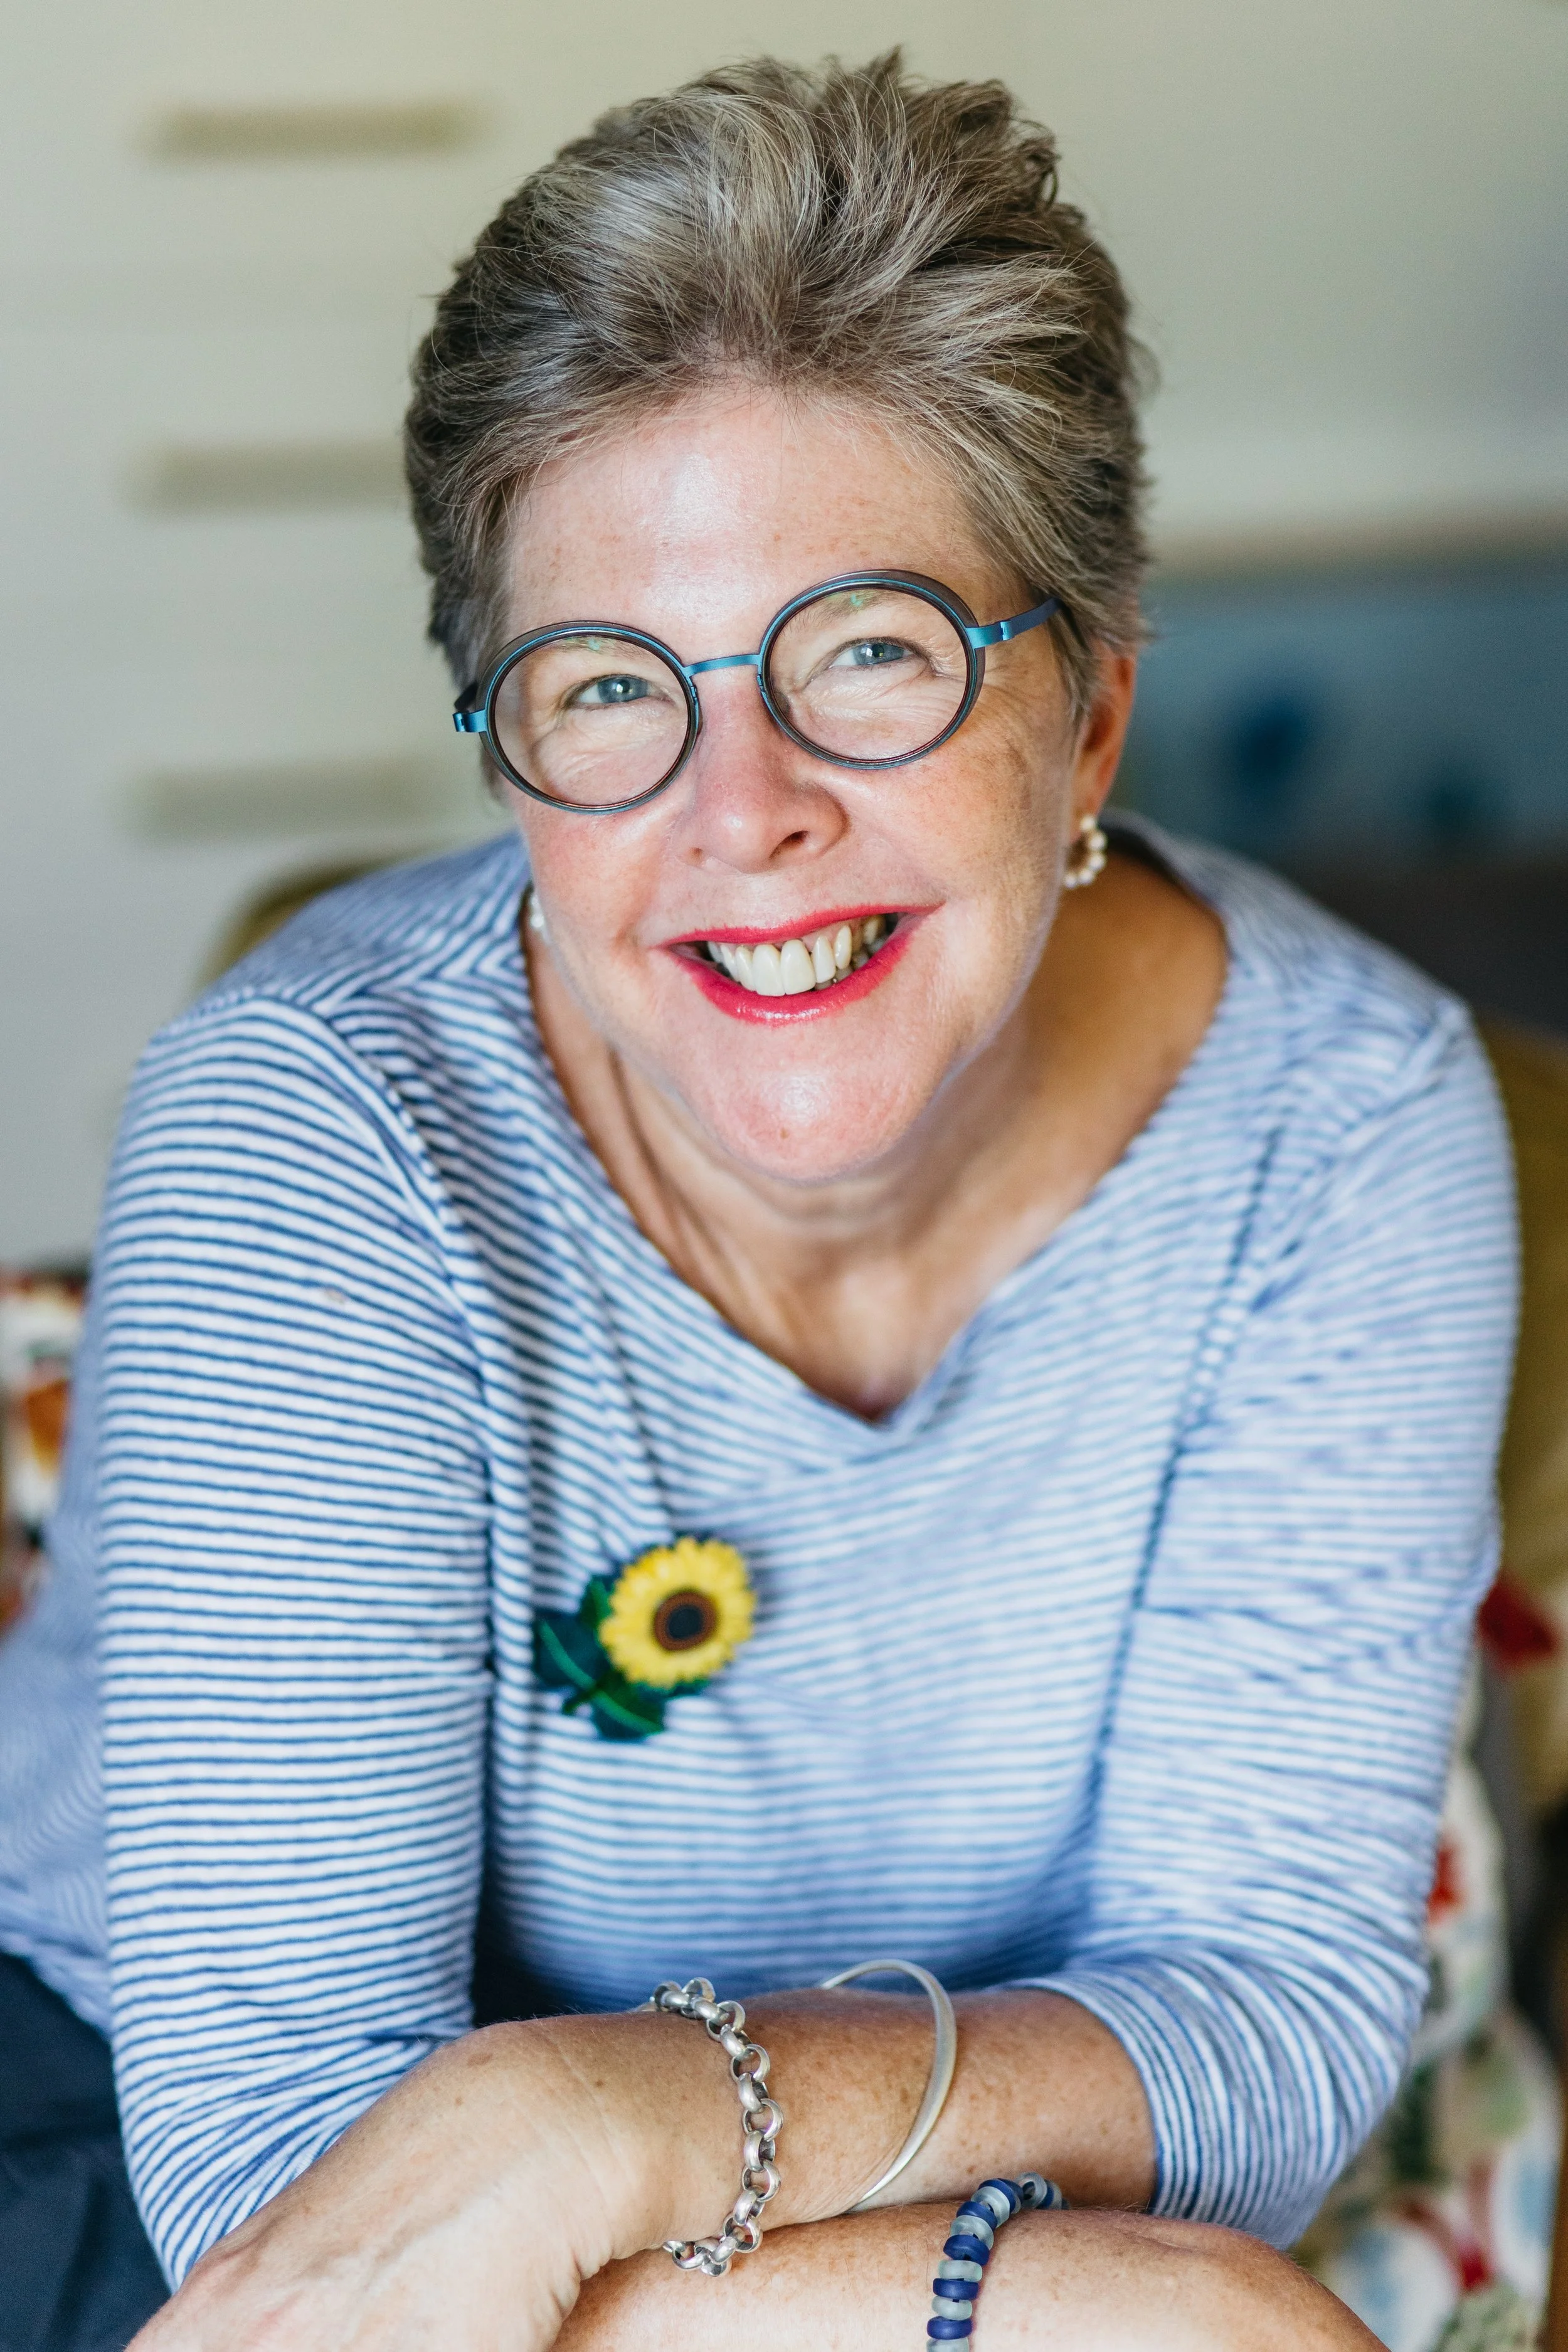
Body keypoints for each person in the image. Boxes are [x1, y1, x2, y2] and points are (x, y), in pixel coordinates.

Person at [0, 51, 1516, 2352]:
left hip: (733, 2179)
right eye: (608, 691)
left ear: (1089, 716)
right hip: (175, 2185)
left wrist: (616, 2118)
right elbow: (289, 2171)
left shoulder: (1347, 1124)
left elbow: (1270, 2032)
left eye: (873, 656)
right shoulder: (311, 1122)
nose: (744, 813)